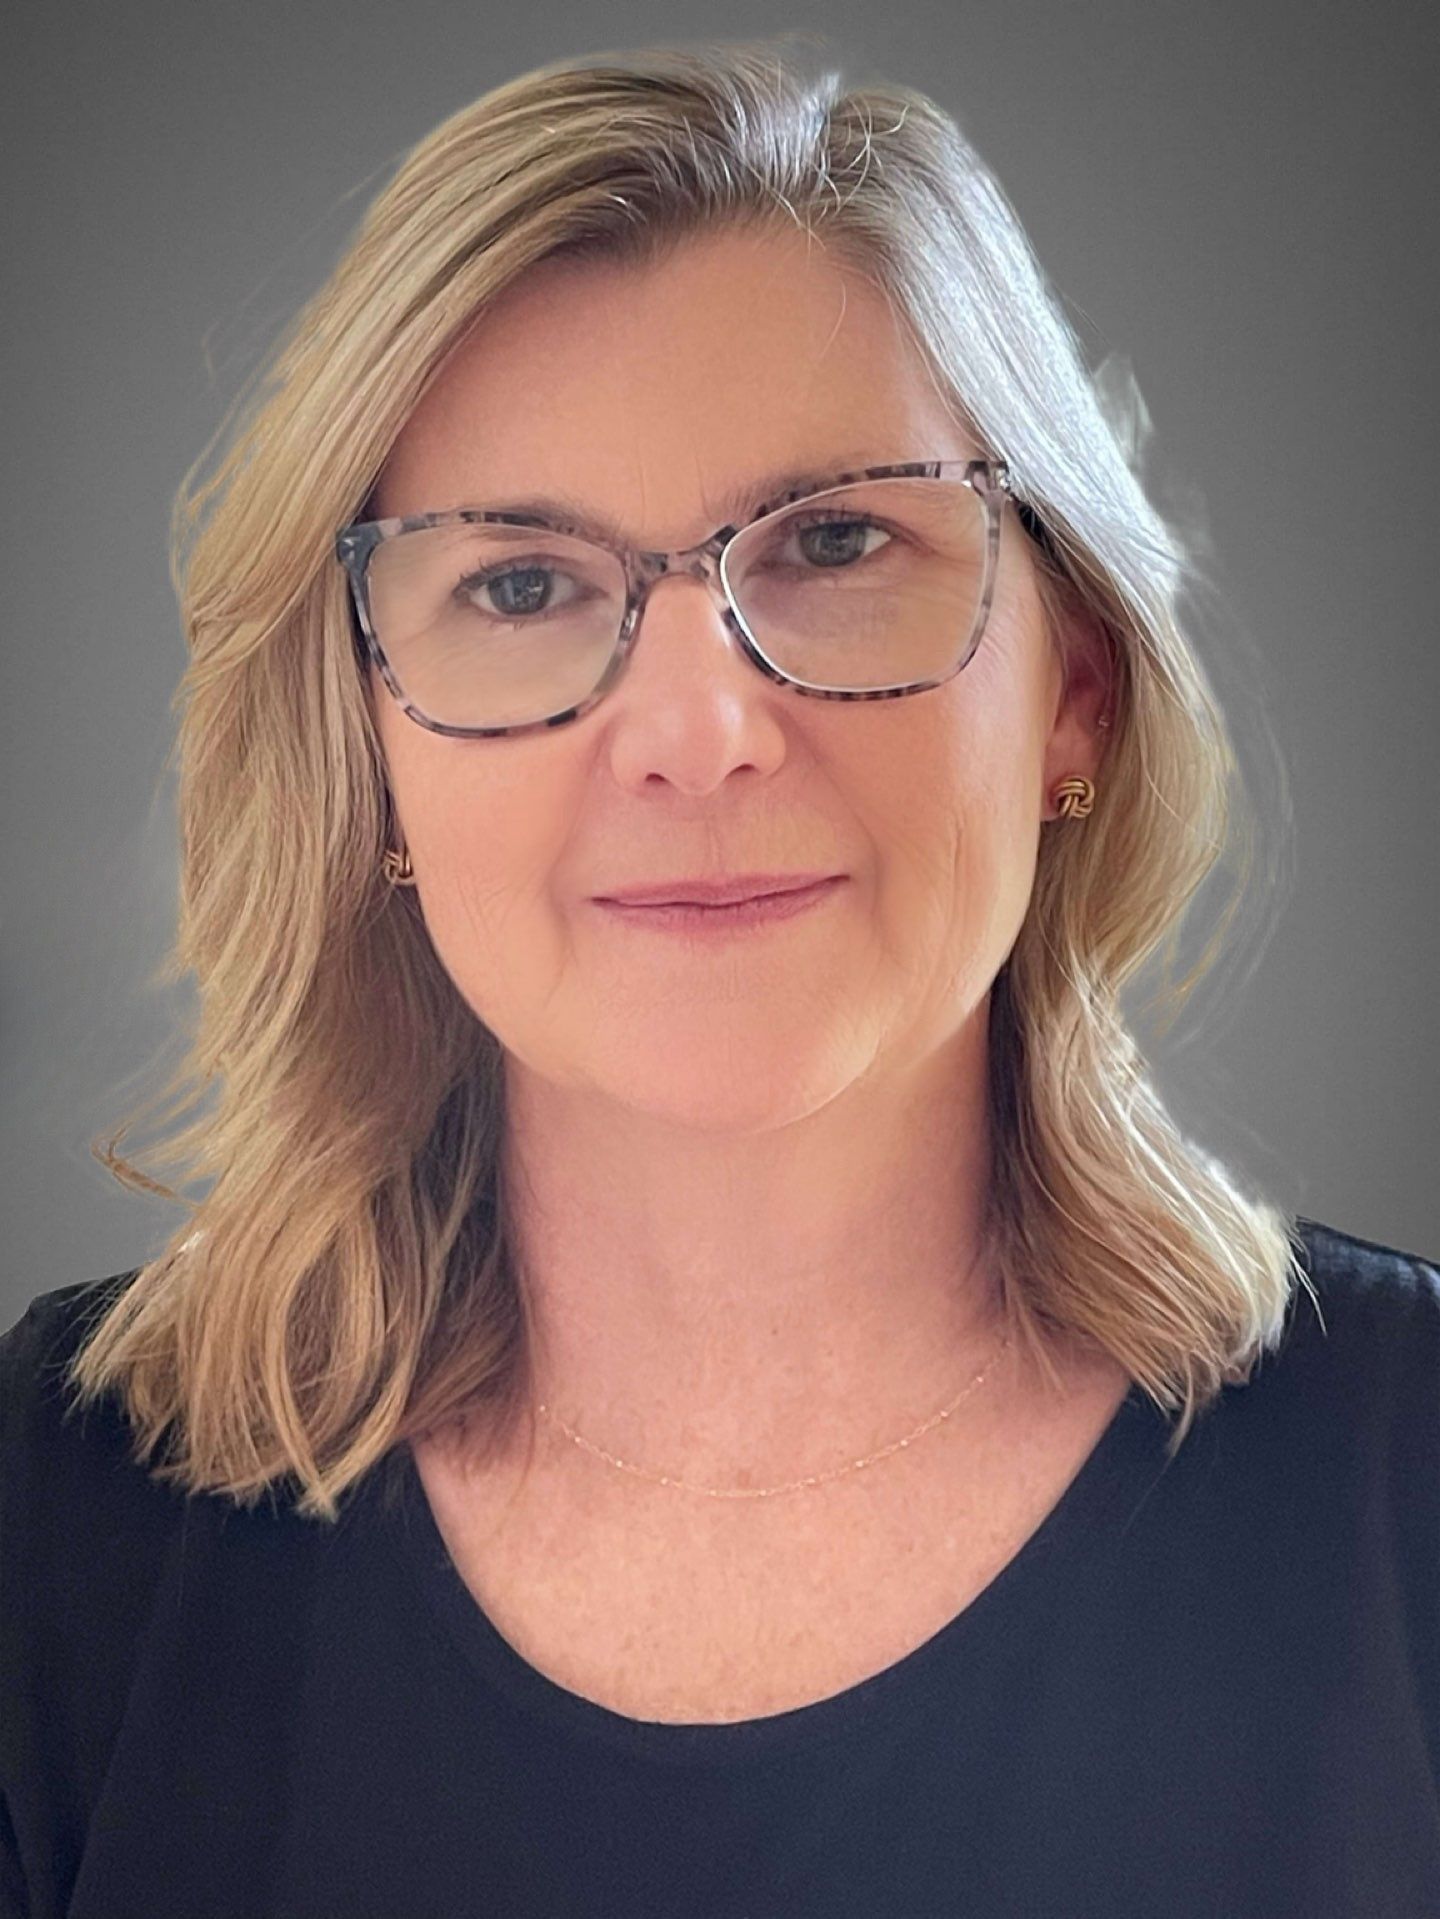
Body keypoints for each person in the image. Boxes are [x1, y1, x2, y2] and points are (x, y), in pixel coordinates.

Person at [2, 36, 1436, 1919]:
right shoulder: (62, 1514)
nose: (696, 732)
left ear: (1076, 686)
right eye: (518, 585)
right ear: (372, 759)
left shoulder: (1410, 1484)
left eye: (838, 543)